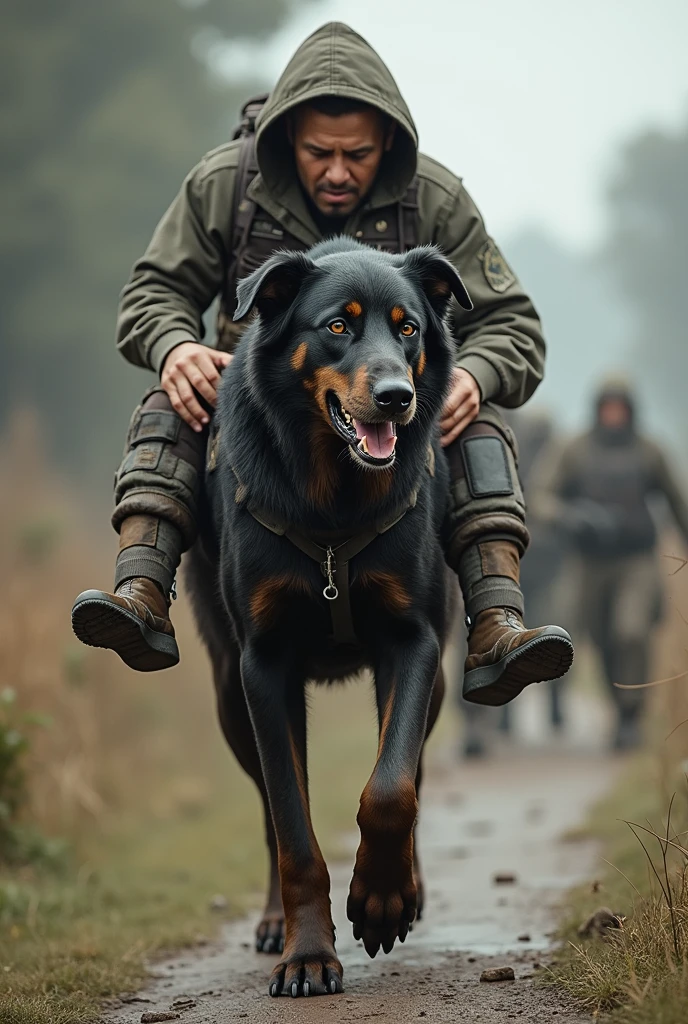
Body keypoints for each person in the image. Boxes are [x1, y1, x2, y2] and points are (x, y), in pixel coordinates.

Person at [71, 21, 573, 705]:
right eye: (318, 152)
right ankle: (140, 593)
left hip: (396, 421)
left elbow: (513, 324)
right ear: (286, 139)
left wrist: (473, 376)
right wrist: (176, 346)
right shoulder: (225, 184)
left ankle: (496, 623)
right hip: (255, 414)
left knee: (477, 424)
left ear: (389, 141)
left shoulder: (437, 199)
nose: (338, 171)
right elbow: (152, 292)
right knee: (168, 404)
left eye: (358, 154)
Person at [531, 379, 688, 748]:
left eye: (620, 408)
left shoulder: (649, 452)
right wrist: (570, 515)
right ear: (597, 409)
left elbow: (678, 504)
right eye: (607, 407)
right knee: (600, 638)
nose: (613, 415)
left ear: (631, 411)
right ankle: (618, 707)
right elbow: (540, 497)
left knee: (630, 631)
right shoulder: (576, 450)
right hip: (589, 562)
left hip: (636, 561)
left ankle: (631, 713)